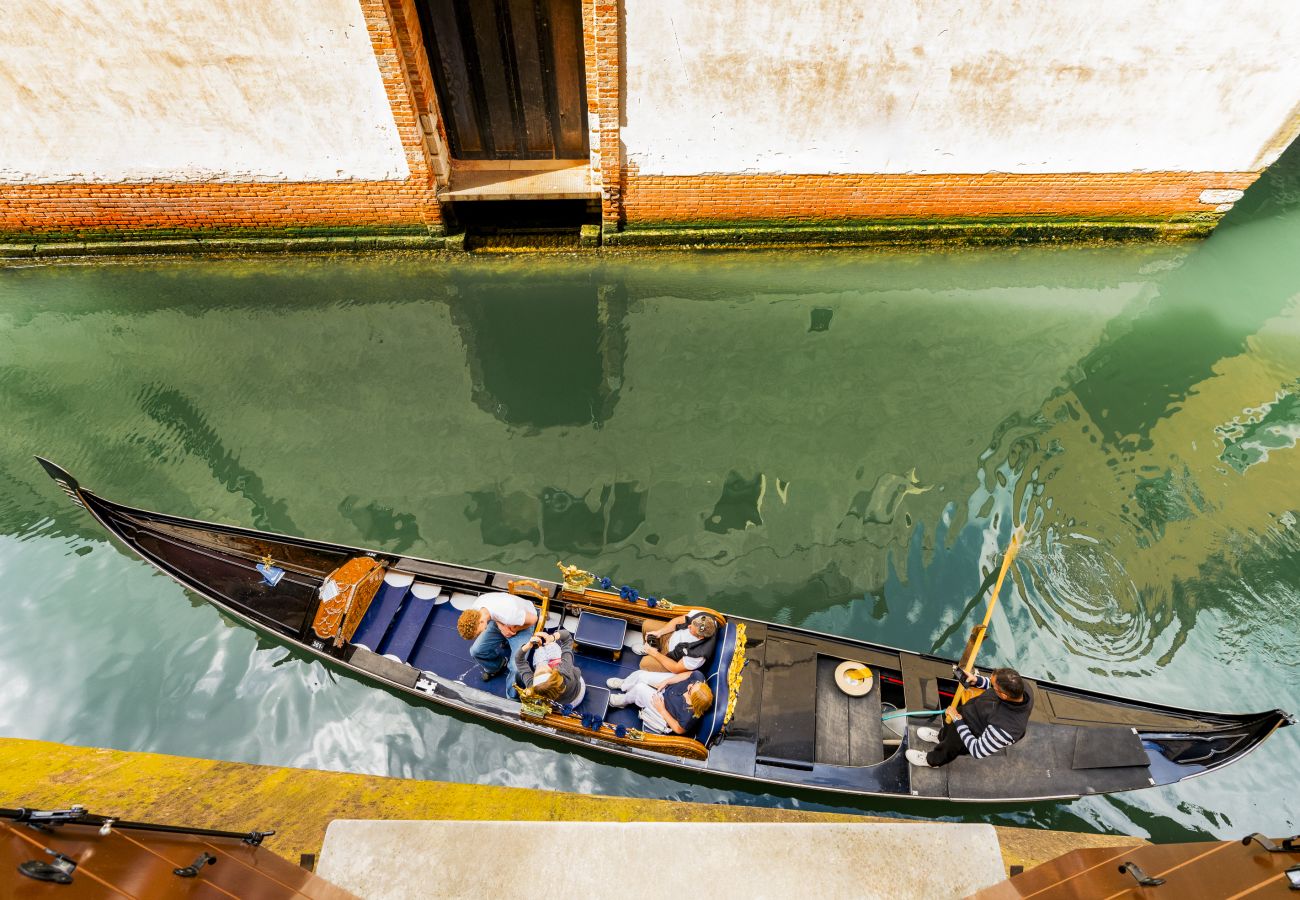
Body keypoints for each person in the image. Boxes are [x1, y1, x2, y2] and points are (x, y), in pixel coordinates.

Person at [905, 667, 1034, 768]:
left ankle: (932, 761)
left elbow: (977, 750)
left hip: (971, 732)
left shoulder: (1006, 728)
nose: (990, 683)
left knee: (950, 747)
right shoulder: (1022, 687)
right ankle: (940, 737)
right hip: (967, 713)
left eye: (993, 685)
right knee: (948, 730)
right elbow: (993, 685)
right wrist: (977, 680)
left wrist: (958, 721)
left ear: (1004, 695)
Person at [456, 592, 538, 686]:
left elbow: (534, 619)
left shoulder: (509, 614)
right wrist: (501, 626)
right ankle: (497, 666)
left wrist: (513, 630)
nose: (479, 635)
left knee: (516, 668)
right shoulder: (476, 609)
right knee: (475, 651)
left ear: (481, 622)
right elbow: (495, 615)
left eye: (478, 633)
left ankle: (512, 694)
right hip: (502, 621)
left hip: (524, 624)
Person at [607, 670, 713, 736]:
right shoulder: (699, 679)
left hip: (663, 705)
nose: (690, 685)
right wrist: (666, 681)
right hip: (669, 686)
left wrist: (661, 709)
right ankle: (624, 684)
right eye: (693, 684)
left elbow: (678, 729)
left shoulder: (689, 716)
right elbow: (688, 674)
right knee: (641, 675)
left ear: (693, 703)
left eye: (690, 690)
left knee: (640, 689)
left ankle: (623, 701)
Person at [513, 628, 586, 707]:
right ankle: (545, 648)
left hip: (558, 706)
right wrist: (552, 637)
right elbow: (567, 638)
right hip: (576, 695)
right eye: (544, 671)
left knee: (540, 660)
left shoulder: (532, 686)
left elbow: (519, 660)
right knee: (551, 650)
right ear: (553, 673)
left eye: (538, 671)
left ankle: (539, 649)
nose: (541, 667)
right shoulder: (565, 671)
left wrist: (528, 646)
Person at [637, 610, 718, 674]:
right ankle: (648, 648)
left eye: (691, 629)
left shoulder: (697, 656)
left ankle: (650, 651)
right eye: (691, 623)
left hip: (672, 658)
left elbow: (676, 668)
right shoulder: (702, 616)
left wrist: (655, 653)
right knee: (646, 624)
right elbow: (678, 621)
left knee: (644, 663)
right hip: (671, 635)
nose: (688, 626)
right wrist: (659, 632)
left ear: (700, 637)